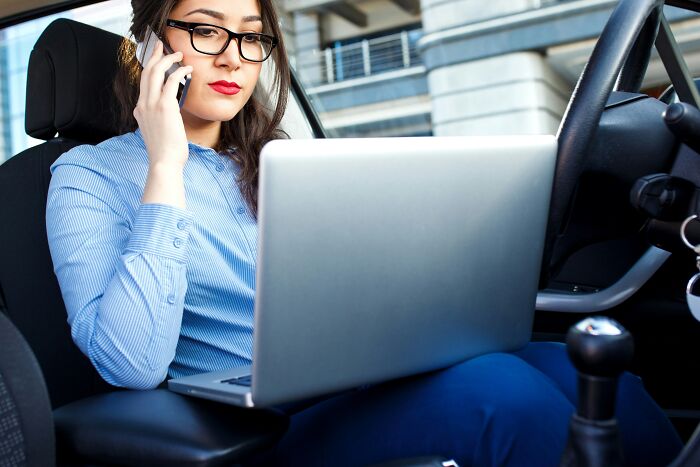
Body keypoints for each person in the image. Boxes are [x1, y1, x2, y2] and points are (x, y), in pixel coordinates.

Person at [45, 0, 683, 465]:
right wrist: (165, 165)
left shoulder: (277, 159)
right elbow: (130, 363)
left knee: (587, 375)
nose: (233, 57)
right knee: (501, 394)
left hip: (362, 375)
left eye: (252, 37)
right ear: (153, 41)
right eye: (206, 30)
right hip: (260, 424)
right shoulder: (87, 175)